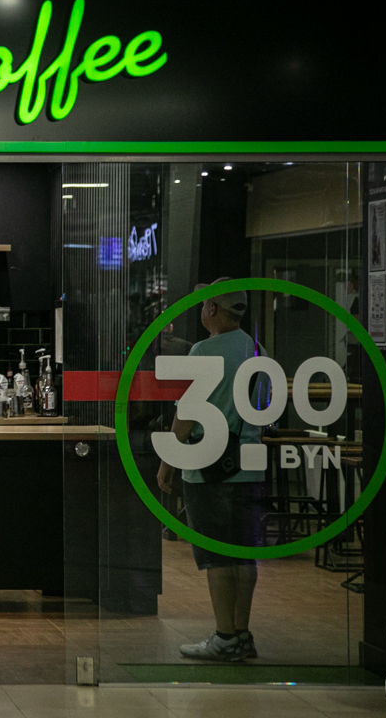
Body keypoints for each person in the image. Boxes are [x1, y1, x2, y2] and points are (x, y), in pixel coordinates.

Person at [157, 277, 266, 663]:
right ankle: (241, 634)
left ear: (213, 309)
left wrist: (168, 460)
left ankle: (223, 636)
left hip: (209, 468)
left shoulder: (203, 350)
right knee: (243, 555)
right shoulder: (257, 350)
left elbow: (187, 415)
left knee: (217, 556)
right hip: (249, 466)